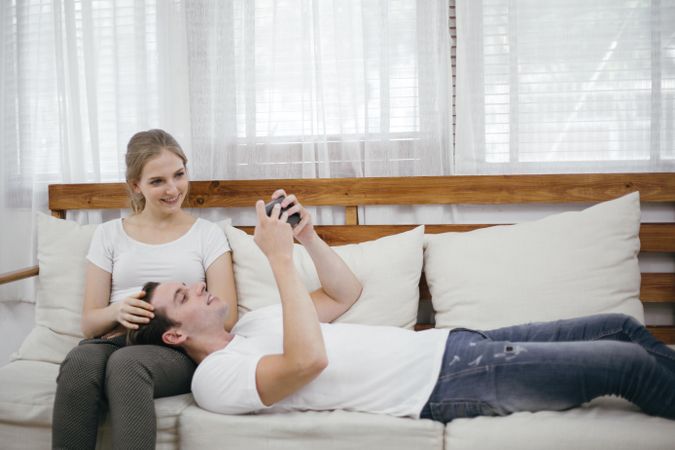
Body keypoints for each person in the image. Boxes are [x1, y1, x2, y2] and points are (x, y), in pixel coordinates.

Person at [128, 193, 675, 423]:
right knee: (624, 365)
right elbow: (305, 364)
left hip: (458, 343)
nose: (198, 288)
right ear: (174, 336)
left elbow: (344, 295)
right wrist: (275, 261)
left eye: (191, 284)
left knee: (621, 326)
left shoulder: (252, 324)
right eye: (183, 296)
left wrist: (308, 240)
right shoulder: (217, 380)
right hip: (448, 384)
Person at [52, 129, 238, 450]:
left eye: (179, 175)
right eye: (157, 181)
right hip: (114, 338)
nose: (173, 189)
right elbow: (90, 323)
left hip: (178, 348)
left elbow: (228, 316)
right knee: (80, 363)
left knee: (128, 365)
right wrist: (116, 310)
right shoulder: (108, 235)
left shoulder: (207, 234)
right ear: (136, 185)